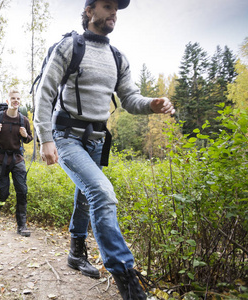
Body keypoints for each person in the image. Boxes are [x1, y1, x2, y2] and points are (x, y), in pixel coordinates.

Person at [34, 0, 175, 299]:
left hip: (97, 139)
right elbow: (45, 93)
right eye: (107, 5)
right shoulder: (68, 47)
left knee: (87, 196)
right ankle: (128, 280)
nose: (114, 12)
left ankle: (75, 252)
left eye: (117, 8)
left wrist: (151, 104)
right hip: (65, 136)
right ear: (89, 11)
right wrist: (45, 137)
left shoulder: (117, 57)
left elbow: (130, 98)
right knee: (101, 192)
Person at [0, 88, 34, 237]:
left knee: (22, 192)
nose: (16, 101)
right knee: (3, 192)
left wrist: (25, 136)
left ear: (20, 101)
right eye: (13, 98)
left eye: (18, 98)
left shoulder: (24, 120)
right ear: (7, 101)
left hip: (17, 159)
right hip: (0, 160)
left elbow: (29, 139)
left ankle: (22, 225)